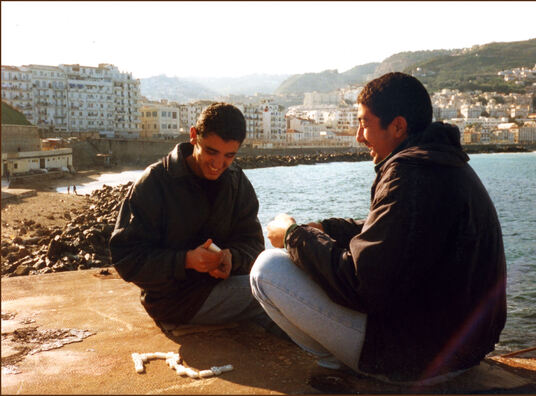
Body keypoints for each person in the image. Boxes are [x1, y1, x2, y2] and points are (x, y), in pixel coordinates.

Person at [250, 72, 507, 385]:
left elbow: (360, 284)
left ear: (397, 126)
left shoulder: (409, 174)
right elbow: (392, 229)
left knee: (267, 269)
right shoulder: (444, 164)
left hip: (418, 360)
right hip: (464, 350)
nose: (359, 135)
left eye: (365, 122)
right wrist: (327, 228)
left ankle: (343, 363)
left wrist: (294, 236)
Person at [110, 102, 267, 328]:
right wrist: (185, 261)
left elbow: (253, 244)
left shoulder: (236, 180)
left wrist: (232, 258)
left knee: (282, 292)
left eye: (229, 156)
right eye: (211, 151)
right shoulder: (154, 181)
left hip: (223, 288)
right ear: (193, 136)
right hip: (175, 302)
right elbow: (126, 258)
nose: (218, 164)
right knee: (276, 295)